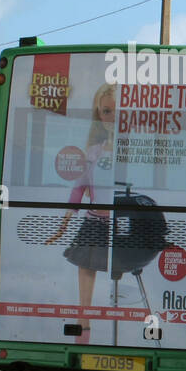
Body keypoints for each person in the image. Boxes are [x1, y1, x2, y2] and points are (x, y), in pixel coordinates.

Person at [44, 84, 116, 344]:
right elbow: (78, 191)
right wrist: (62, 226)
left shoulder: (132, 151)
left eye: (117, 111)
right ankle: (82, 335)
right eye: (106, 111)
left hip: (120, 225)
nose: (111, 117)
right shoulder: (94, 153)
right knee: (85, 280)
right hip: (93, 222)